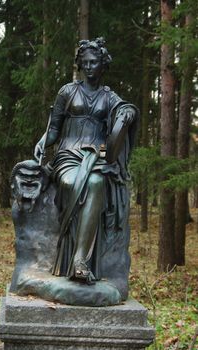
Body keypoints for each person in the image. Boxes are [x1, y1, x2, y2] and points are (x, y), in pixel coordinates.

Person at [34, 37, 138, 286]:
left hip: (96, 159)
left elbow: (125, 111)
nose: (90, 67)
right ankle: (73, 257)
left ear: (103, 65)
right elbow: (54, 129)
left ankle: (80, 261)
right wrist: (41, 143)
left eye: (95, 62)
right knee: (73, 183)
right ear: (80, 64)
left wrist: (127, 113)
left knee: (96, 182)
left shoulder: (109, 96)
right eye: (86, 62)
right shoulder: (67, 92)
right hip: (68, 156)